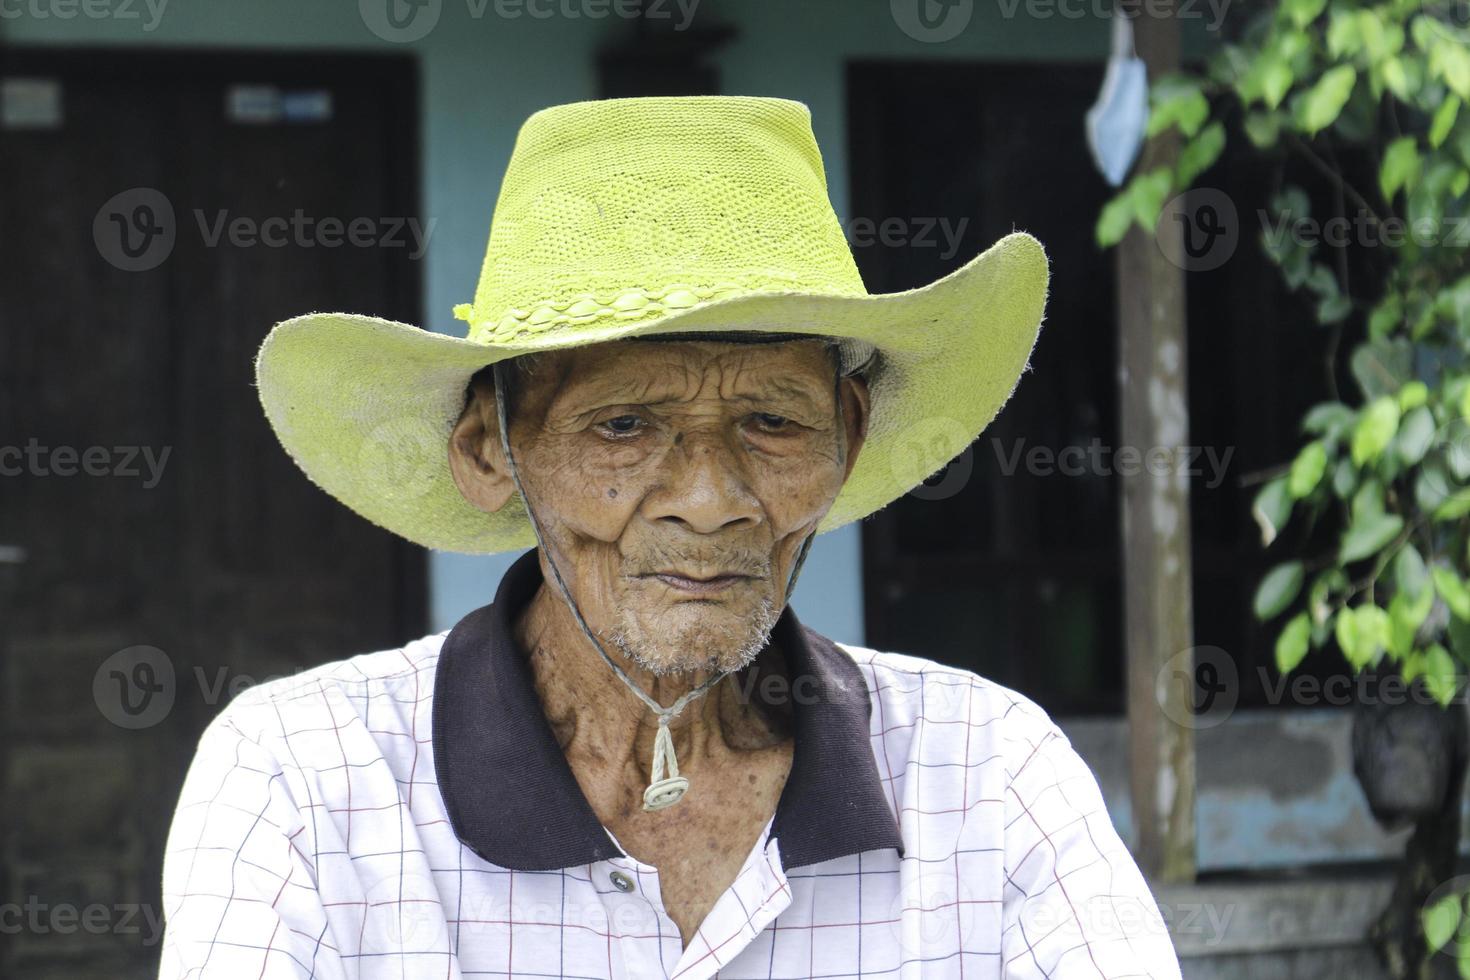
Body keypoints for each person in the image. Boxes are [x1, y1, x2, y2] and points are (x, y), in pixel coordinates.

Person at [158, 94, 1182, 979]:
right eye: (623, 425)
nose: (708, 498)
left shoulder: (992, 775)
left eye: (772, 423)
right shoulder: (300, 778)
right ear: (489, 447)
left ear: (849, 440)